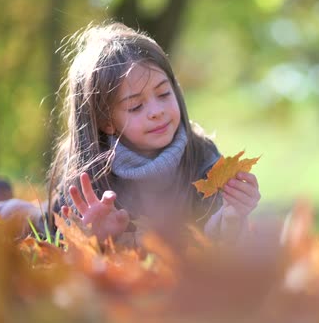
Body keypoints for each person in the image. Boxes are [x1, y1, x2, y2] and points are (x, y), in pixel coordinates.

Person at [44, 21, 260, 247]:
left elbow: (216, 246)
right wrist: (94, 238)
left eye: (164, 94)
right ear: (106, 122)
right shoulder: (86, 178)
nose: (157, 112)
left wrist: (232, 217)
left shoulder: (202, 158)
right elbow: (57, 243)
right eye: (136, 106)